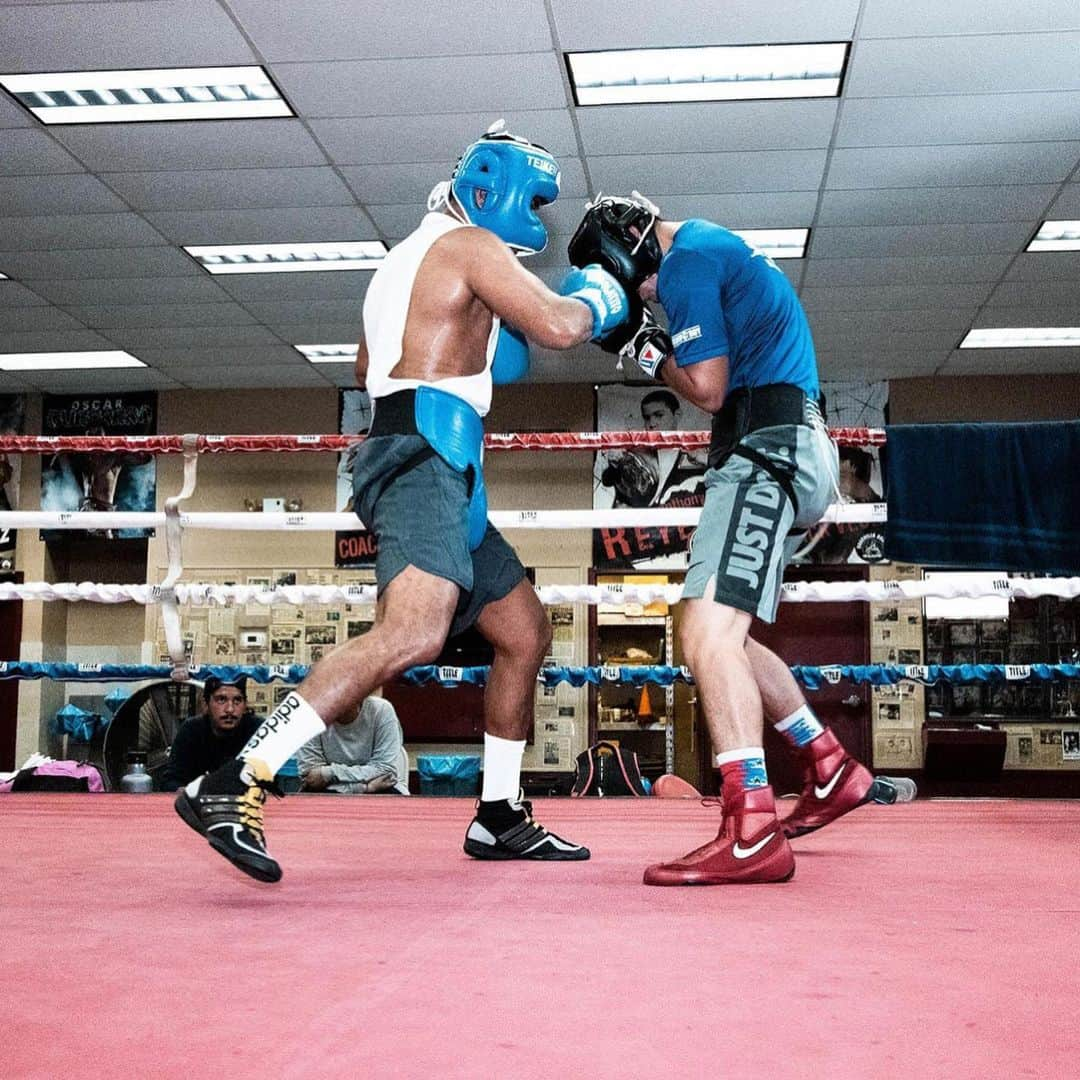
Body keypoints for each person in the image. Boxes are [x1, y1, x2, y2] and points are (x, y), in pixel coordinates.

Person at [174, 121, 636, 882]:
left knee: (522, 630)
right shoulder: (470, 244)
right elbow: (558, 324)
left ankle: (498, 814)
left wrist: (476, 342)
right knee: (414, 632)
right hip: (424, 456)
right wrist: (605, 294)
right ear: (494, 186)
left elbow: (369, 364)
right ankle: (235, 779)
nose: (541, 218)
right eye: (537, 198)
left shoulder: (402, 261)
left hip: (440, 458)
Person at [569, 193, 913, 886]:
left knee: (706, 636)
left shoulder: (688, 260)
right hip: (787, 447)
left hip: (766, 448)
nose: (645, 295)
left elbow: (707, 387)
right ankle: (827, 766)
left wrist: (643, 348)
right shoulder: (710, 248)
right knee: (721, 627)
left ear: (634, 244)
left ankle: (752, 824)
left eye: (633, 280)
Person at [598, 389, 708, 509]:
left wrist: (705, 460)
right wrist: (616, 462)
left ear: (677, 415)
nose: (652, 423)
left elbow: (723, 479)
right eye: (647, 417)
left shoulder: (693, 452)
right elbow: (607, 481)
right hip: (640, 522)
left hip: (680, 523)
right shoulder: (636, 451)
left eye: (659, 415)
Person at [159, 677, 260, 792]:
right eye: (221, 700)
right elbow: (170, 781)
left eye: (237, 700)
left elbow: (277, 781)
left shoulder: (258, 730)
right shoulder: (191, 730)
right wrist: (182, 791)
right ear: (206, 704)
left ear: (245, 705)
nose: (230, 709)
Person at [297, 696, 409, 795]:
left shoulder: (381, 710)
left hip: (382, 790)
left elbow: (385, 771)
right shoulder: (309, 716)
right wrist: (364, 788)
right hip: (331, 792)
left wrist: (329, 773)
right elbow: (311, 779)